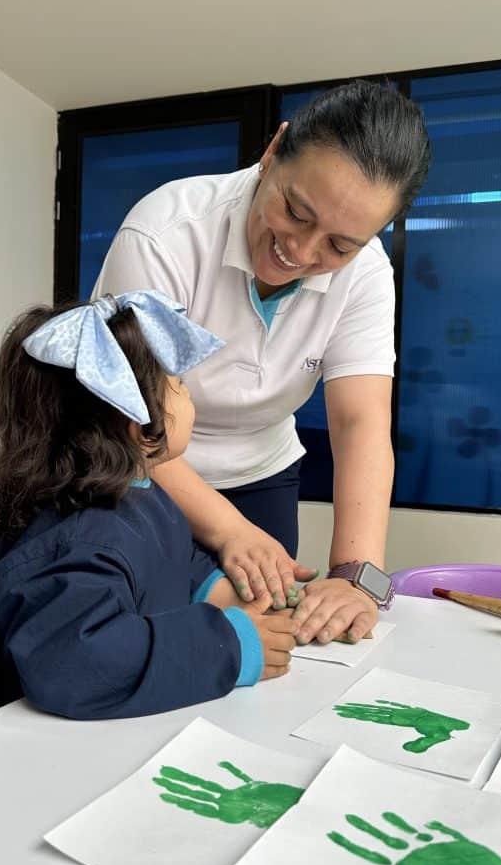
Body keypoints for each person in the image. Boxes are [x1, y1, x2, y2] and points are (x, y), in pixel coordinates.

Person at [93, 80, 431, 648]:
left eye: (339, 246)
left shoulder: (367, 274)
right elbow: (128, 418)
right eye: (296, 211)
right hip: (142, 468)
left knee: (267, 645)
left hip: (262, 472)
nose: (300, 251)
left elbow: (360, 423)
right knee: (150, 643)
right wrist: (230, 531)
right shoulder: (166, 234)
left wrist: (357, 577)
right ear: (272, 152)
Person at [0, 291, 297, 727]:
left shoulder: (141, 494)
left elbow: (170, 566)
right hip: (30, 755)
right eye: (178, 384)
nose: (189, 394)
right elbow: (82, 662)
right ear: (137, 423)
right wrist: (228, 645)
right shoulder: (75, 541)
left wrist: (260, 597)